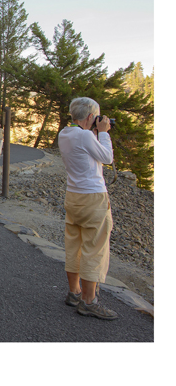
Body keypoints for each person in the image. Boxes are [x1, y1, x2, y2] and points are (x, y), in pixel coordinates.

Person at [58, 97, 117, 320]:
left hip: (73, 196)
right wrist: (103, 132)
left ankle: (74, 292)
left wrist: (94, 132)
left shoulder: (65, 133)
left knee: (74, 244)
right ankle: (89, 301)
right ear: (91, 117)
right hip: (93, 197)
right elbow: (107, 157)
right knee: (95, 247)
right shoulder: (85, 135)